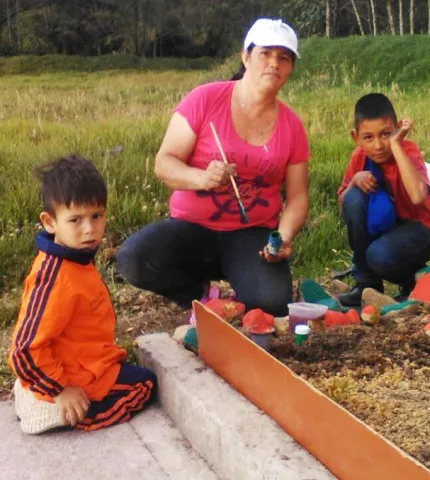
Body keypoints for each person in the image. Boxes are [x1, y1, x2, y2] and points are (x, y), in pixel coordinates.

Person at [117, 18, 310, 317]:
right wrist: (201, 178)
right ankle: (201, 296)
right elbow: (164, 163)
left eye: (284, 58)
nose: (274, 63)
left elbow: (297, 197)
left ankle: (239, 291)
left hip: (251, 233)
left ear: (291, 68)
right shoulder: (205, 99)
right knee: (133, 258)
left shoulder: (293, 127)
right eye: (265, 54)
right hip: (191, 227)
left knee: (272, 302)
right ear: (245, 57)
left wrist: (281, 238)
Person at [9, 155, 157, 435]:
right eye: (75, 220)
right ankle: (73, 413)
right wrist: (61, 390)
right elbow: (23, 350)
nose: (89, 229)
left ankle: (46, 395)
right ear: (50, 222)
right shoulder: (54, 277)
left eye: (96, 216)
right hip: (75, 376)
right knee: (145, 385)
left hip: (82, 360)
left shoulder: (75, 258)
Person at [335, 93, 430, 307]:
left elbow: (418, 196)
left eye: (386, 134)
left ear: (398, 129)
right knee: (354, 198)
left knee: (378, 255)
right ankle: (366, 284)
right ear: (356, 137)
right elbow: (344, 206)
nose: (378, 145)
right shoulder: (359, 157)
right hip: (384, 228)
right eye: (368, 138)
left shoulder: (407, 150)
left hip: (419, 230)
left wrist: (396, 145)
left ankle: (416, 282)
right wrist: (354, 181)